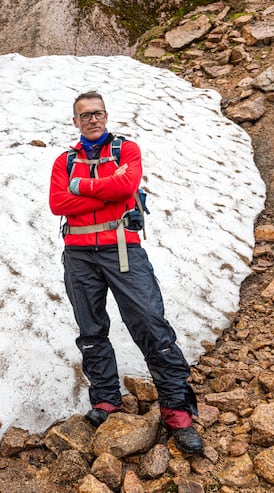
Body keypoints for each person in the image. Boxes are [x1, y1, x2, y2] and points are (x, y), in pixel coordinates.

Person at [48, 90, 204, 454]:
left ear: (106, 116)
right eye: (84, 115)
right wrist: (107, 190)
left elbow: (127, 187)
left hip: (124, 249)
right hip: (79, 255)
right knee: (91, 329)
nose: (92, 119)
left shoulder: (126, 151)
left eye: (97, 113)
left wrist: (83, 189)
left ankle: (177, 411)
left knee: (151, 324)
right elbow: (59, 203)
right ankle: (105, 400)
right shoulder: (64, 161)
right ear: (75, 121)